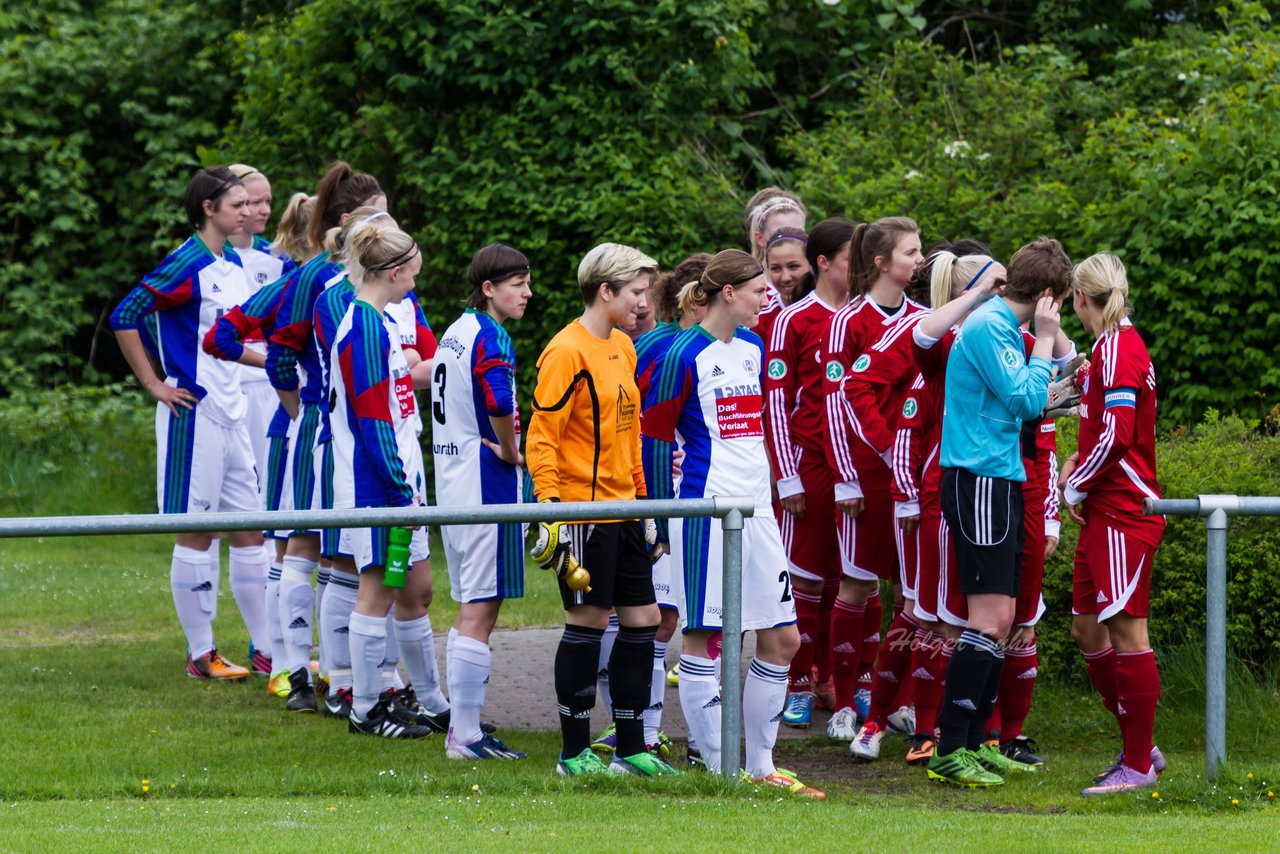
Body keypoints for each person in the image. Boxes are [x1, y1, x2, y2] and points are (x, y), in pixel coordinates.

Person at [645, 248, 824, 799]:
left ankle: (763, 767)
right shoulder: (682, 353)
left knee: (784, 638)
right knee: (702, 636)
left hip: (760, 510)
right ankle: (727, 775)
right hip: (705, 512)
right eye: (757, 288)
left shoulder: (754, 345)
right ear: (728, 293)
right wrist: (656, 518)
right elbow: (654, 439)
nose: (767, 294)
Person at [110, 166, 269, 681]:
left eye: (250, 204)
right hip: (192, 414)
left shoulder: (234, 263)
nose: (248, 212)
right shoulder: (186, 263)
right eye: (238, 204)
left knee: (250, 530)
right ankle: (201, 654)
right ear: (209, 208)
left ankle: (267, 649)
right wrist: (155, 383)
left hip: (234, 413)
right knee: (197, 532)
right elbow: (125, 315)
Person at [526, 242, 677, 777]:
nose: (644, 303)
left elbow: (630, 432)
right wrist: (550, 511)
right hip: (583, 515)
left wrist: (644, 501)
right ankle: (572, 753)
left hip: (627, 512)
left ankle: (631, 749)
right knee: (588, 623)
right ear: (604, 291)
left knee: (645, 620)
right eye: (636, 292)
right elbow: (542, 438)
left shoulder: (624, 347)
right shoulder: (565, 351)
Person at [925, 237, 1072, 788]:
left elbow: (1024, 399)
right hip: (979, 477)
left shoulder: (1005, 329)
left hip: (1002, 476)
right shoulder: (990, 326)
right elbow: (1023, 401)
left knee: (1004, 620)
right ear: (1050, 296)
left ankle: (976, 742)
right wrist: (1046, 345)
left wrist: (1058, 377)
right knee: (987, 619)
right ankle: (949, 746)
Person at [267, 161, 386, 712]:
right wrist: (301, 411)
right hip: (322, 426)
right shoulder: (316, 277)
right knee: (306, 543)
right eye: (377, 216)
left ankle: (341, 679)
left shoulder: (384, 275)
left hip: (362, 428)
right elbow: (278, 351)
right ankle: (296, 674)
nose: (387, 225)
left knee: (343, 551)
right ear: (347, 220)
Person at [593, 254, 709, 760]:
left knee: (684, 617)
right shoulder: (657, 348)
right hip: (656, 498)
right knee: (655, 618)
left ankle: (653, 730)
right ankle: (636, 729)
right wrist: (653, 508)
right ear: (695, 299)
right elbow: (644, 432)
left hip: (693, 500)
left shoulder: (717, 348)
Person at [1062, 253, 1167, 796]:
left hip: (1125, 507)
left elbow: (1119, 434)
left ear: (1082, 298)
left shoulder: (1121, 348)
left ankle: (1137, 762)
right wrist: (1074, 467)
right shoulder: (1105, 347)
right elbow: (1098, 426)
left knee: (1127, 630)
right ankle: (1139, 741)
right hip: (1102, 506)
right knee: (1086, 627)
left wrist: (1078, 482)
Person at [204, 191, 315, 698]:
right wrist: (291, 400)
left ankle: (318, 666)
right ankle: (281, 662)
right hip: (282, 423)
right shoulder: (296, 282)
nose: (257, 209)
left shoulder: (349, 287)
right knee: (284, 536)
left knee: (318, 545)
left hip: (301, 423)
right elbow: (222, 339)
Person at [326, 222, 433, 739]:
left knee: (405, 588)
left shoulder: (380, 320)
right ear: (393, 272)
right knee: (376, 591)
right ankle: (365, 709)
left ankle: (412, 701)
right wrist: (396, 486)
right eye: (412, 273)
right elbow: (372, 418)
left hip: (394, 478)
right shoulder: (364, 326)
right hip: (375, 483)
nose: (415, 282)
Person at [822, 217, 925, 743]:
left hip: (909, 479)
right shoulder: (848, 320)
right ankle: (842, 703)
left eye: (921, 250)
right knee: (857, 584)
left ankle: (900, 702)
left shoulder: (926, 319)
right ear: (882, 262)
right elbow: (836, 404)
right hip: (865, 475)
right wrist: (847, 479)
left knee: (912, 592)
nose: (920, 260)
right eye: (910, 252)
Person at [432, 243, 533, 760]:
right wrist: (514, 450)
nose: (528, 292)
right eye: (517, 283)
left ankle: (462, 728)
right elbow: (497, 398)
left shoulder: (456, 329)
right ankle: (465, 736)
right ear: (488, 288)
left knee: (472, 603)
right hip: (484, 483)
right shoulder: (490, 335)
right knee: (480, 606)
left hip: (454, 479)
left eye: (528, 282)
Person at [763, 219, 855, 728]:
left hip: (858, 472)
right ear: (825, 263)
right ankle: (796, 682)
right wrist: (787, 476)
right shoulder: (793, 320)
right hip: (809, 467)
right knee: (806, 580)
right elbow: (775, 403)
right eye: (851, 259)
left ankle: (843, 680)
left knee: (854, 580)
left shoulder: (865, 317)